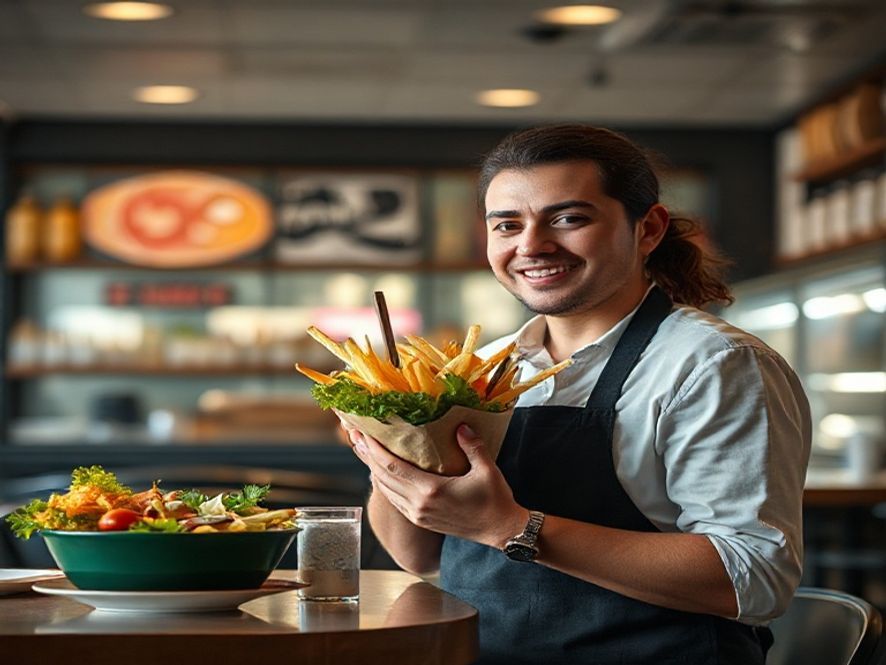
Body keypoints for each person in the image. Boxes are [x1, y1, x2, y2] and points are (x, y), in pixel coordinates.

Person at [343, 124, 812, 665]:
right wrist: (397, 447)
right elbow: (418, 554)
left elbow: (751, 577)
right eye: (507, 225)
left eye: (568, 219)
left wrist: (510, 527)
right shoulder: (479, 369)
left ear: (648, 229)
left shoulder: (713, 365)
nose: (531, 246)